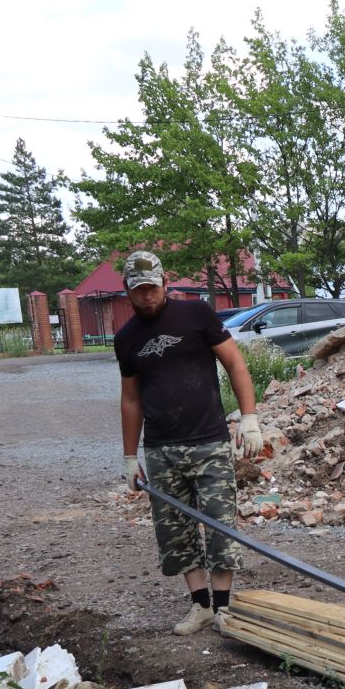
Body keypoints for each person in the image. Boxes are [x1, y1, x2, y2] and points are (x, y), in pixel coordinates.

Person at [114, 250, 265, 635]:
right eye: (139, 291)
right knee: (175, 533)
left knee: (220, 526)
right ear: (127, 293)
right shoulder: (126, 338)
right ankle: (200, 607)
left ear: (165, 283)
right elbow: (131, 398)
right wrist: (130, 456)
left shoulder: (196, 314)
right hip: (162, 450)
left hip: (209, 442)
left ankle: (225, 608)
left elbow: (235, 363)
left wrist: (248, 418)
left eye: (152, 288)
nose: (147, 296)